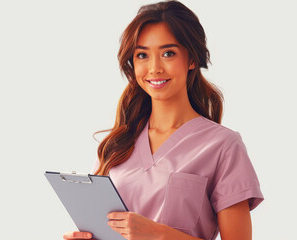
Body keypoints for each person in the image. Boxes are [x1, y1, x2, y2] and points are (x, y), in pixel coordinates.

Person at [63, 1, 264, 239]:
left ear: (192, 59)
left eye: (168, 53)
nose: (154, 68)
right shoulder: (116, 145)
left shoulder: (223, 146)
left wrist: (159, 234)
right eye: (142, 55)